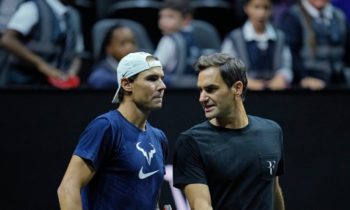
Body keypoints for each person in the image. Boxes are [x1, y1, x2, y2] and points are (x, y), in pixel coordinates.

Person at [173, 53, 285, 210]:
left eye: (211, 89)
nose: (202, 98)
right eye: (200, 90)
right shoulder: (191, 142)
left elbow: (273, 189)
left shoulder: (272, 131)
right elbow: (201, 205)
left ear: (237, 88)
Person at [57, 52, 168, 210]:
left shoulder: (159, 137)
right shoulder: (106, 127)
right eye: (152, 79)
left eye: (162, 78)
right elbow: (68, 188)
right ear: (126, 84)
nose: (162, 86)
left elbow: (150, 198)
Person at [0, 0, 83, 88]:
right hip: (25, 83)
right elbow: (7, 39)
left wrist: (71, 73)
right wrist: (42, 65)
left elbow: (77, 53)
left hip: (56, 85)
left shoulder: (72, 15)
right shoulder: (33, 7)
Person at [221, 0, 293, 90]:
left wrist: (281, 78)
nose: (261, 13)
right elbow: (227, 70)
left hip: (275, 93)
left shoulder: (280, 38)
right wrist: (244, 80)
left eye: (266, 8)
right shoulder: (234, 38)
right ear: (246, 8)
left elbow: (286, 66)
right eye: (256, 7)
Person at [281, 0, 350, 89]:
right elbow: (291, 54)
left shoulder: (339, 16)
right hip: (307, 85)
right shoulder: (293, 16)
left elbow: (347, 53)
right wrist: (304, 77)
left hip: (338, 82)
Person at [154, 0, 201, 88]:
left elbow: (154, 68)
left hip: (172, 90)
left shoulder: (168, 40)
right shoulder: (195, 35)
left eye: (170, 17)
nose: (163, 21)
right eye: (161, 17)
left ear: (186, 19)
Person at [87, 24, 137, 89]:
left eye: (132, 42)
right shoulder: (101, 72)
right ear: (109, 48)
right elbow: (96, 79)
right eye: (123, 43)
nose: (130, 47)